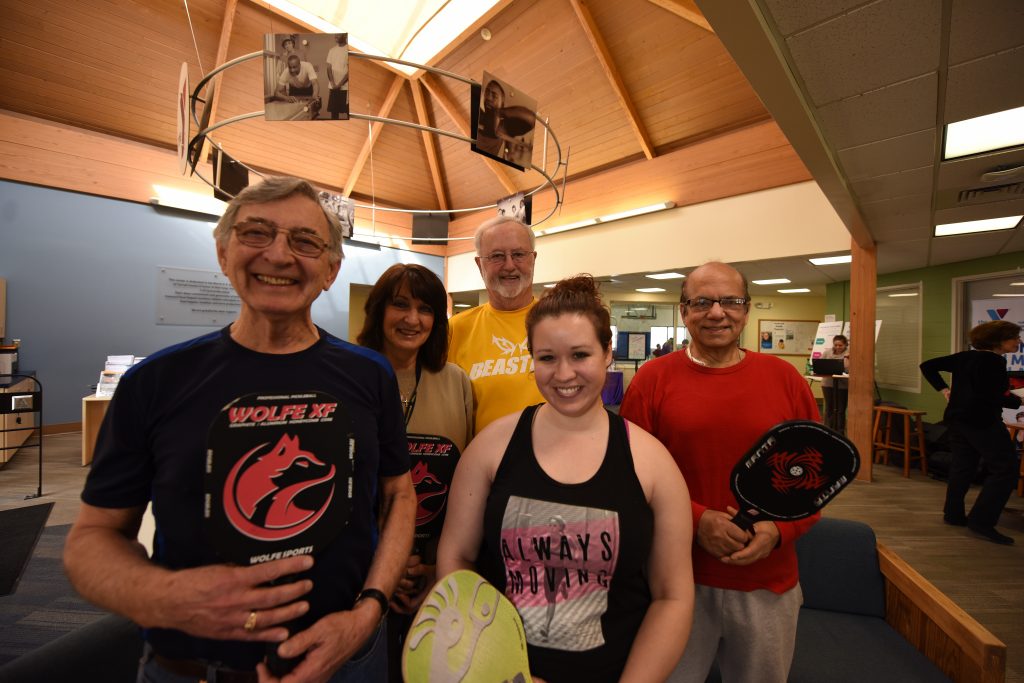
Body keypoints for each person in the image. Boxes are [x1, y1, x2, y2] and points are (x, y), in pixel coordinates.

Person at [64, 176, 416, 682]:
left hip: (348, 659)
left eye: (305, 241)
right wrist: (164, 598)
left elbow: (399, 494)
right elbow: (90, 540)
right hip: (191, 669)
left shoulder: (369, 375)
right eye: (256, 233)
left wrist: (370, 611)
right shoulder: (155, 382)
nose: (278, 255)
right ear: (224, 252)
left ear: (331, 269)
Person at [438, 275, 694, 682]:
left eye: (579, 355)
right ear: (531, 358)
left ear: (607, 353)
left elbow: (673, 596)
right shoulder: (490, 448)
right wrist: (494, 666)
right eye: (547, 358)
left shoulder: (652, 463)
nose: (564, 374)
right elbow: (457, 558)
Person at [619, 261, 820, 683]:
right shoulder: (652, 380)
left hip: (769, 584)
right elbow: (627, 476)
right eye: (703, 302)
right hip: (674, 581)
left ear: (746, 310)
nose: (717, 312)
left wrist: (778, 532)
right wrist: (695, 520)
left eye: (731, 301)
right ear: (683, 310)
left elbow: (814, 482)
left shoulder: (785, 379)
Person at [355, 263, 473, 681]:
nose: (412, 319)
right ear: (378, 310)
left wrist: (432, 566)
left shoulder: (455, 382)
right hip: (360, 574)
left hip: (433, 572)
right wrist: (386, 565)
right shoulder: (350, 377)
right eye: (400, 305)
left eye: (425, 309)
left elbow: (463, 486)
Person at [920, 320, 1022, 545]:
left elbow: (927, 366)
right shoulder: (993, 362)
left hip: (957, 420)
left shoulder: (965, 357)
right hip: (982, 422)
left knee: (962, 467)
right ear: (998, 340)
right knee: (1006, 469)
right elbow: (993, 396)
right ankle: (982, 521)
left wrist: (944, 390)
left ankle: (953, 514)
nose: (1018, 341)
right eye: (1014, 337)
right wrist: (1018, 400)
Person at [448, 216, 544, 434]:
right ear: (479, 263)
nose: (509, 265)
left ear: (533, 258)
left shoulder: (559, 321)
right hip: (482, 465)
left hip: (555, 461)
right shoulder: (456, 329)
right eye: (497, 256)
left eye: (518, 254)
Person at [820, 334, 850, 432]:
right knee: (829, 408)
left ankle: (840, 431)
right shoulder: (827, 352)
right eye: (835, 345)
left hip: (843, 385)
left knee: (840, 409)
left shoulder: (849, 353)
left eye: (840, 345)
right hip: (828, 384)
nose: (837, 347)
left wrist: (846, 358)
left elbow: (848, 368)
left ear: (845, 345)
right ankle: (827, 429)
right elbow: (820, 364)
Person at [326, 34, 349, 121]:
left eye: (338, 35)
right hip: (333, 87)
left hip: (345, 87)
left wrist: (340, 84)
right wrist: (332, 83)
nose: (336, 36)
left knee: (348, 112)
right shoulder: (332, 50)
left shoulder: (348, 50)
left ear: (344, 36)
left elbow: (349, 71)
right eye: (335, 34)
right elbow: (328, 68)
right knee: (334, 112)